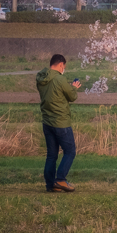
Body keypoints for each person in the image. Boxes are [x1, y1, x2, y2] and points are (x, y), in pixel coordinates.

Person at [37, 54, 81, 193]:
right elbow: (72, 96)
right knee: (70, 151)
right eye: (64, 67)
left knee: (51, 154)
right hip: (61, 122)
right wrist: (73, 87)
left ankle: (50, 185)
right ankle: (60, 179)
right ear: (61, 64)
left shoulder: (41, 78)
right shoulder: (60, 79)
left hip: (47, 121)